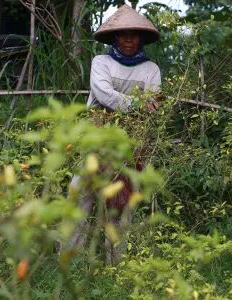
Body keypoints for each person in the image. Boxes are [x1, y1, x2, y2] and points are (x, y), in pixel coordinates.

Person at [64, 4, 161, 265]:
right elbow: (104, 94)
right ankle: (67, 260)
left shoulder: (150, 69)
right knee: (80, 195)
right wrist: (137, 104)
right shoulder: (101, 62)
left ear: (141, 39)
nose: (129, 39)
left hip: (130, 143)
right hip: (96, 139)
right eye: (123, 34)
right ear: (115, 37)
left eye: (134, 34)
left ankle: (115, 267)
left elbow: (154, 103)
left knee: (121, 203)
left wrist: (137, 108)